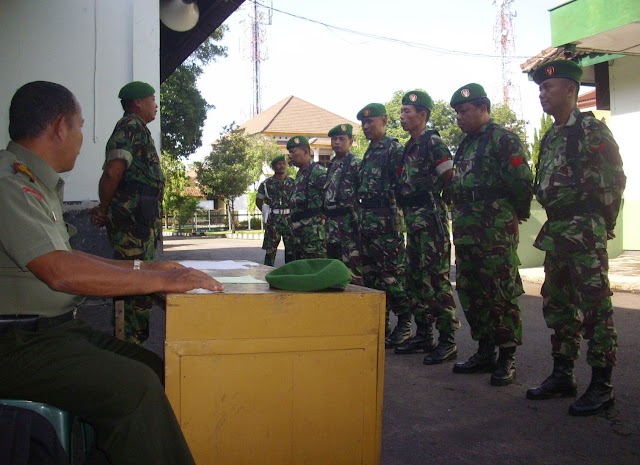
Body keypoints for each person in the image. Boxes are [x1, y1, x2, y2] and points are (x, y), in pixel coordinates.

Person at [0, 80, 224, 464]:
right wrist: (159, 279)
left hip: (52, 332)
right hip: (16, 342)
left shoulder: (37, 182)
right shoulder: (10, 182)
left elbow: (70, 257)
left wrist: (148, 266)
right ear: (59, 127)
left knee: (158, 369)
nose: (83, 137)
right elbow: (60, 271)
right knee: (136, 388)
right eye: (80, 125)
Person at [525, 60, 626, 416]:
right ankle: (562, 374)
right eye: (539, 88)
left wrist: (600, 225)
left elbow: (615, 180)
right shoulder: (551, 136)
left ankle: (602, 384)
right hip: (557, 232)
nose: (542, 94)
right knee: (558, 306)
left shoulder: (591, 131)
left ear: (571, 90)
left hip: (584, 231)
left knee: (595, 309)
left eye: (548, 88)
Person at [449, 83, 533, 386]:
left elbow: (522, 181)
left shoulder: (503, 139)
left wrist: (513, 214)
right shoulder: (466, 143)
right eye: (457, 112)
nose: (459, 117)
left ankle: (507, 356)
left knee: (499, 291)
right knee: (471, 291)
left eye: (464, 111)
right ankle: (485, 351)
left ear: (483, 109)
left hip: (494, 230)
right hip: (467, 230)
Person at [90, 81, 164, 346]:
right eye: (152, 99)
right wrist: (104, 207)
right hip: (133, 223)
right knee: (135, 281)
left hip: (140, 221)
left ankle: (132, 342)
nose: (155, 105)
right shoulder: (130, 126)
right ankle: (129, 343)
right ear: (137, 103)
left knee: (138, 277)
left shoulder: (138, 129)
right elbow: (112, 171)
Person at [394, 90, 460, 365]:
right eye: (402, 112)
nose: (402, 116)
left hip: (431, 221)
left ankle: (447, 341)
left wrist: (440, 206)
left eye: (408, 111)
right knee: (414, 280)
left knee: (436, 281)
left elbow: (450, 177)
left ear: (422, 115)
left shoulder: (433, 143)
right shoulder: (409, 147)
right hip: (413, 221)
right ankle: (423, 335)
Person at [356, 103, 412, 349]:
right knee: (373, 277)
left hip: (386, 222)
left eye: (371, 121)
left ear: (384, 121)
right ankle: (382, 323)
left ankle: (405, 323)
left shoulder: (393, 149)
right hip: (367, 222)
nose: (366, 126)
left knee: (391, 276)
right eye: (364, 123)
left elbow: (402, 185)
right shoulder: (369, 152)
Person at [324, 123, 363, 285]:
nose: (337, 142)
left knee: (352, 267)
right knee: (333, 266)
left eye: (341, 139)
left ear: (351, 141)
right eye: (334, 139)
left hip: (348, 224)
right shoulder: (332, 164)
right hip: (332, 225)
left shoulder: (355, 163)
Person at [287, 136, 327, 259]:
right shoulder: (300, 173)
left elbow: (329, 198)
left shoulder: (317, 172)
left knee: (314, 269)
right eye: (290, 153)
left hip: (312, 234)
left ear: (305, 152)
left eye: (293, 152)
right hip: (299, 233)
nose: (290, 156)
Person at [256, 155, 295, 266]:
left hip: (289, 219)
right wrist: (267, 213)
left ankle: (291, 274)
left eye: (283, 163)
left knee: (291, 250)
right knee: (270, 250)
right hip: (273, 220)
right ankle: (267, 273)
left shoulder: (293, 182)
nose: (281, 166)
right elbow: (259, 201)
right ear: (273, 167)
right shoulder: (266, 184)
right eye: (278, 164)